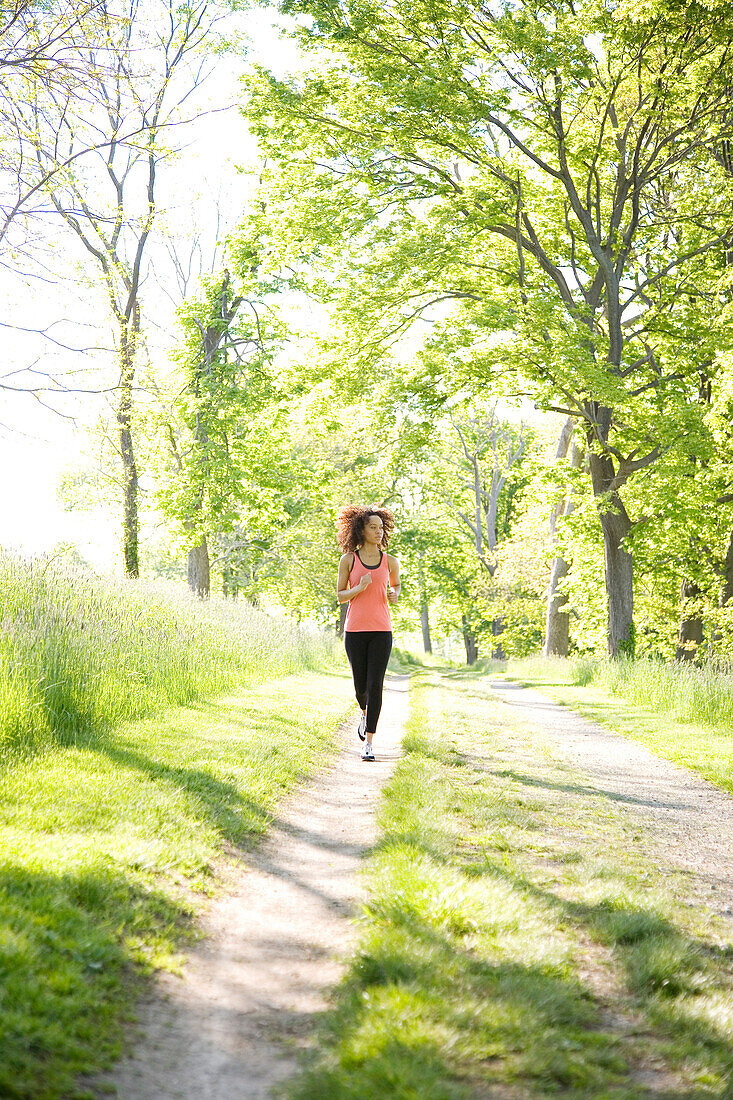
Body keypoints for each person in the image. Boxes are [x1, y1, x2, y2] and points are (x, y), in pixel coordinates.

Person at [336, 505, 400, 761]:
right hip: (355, 631)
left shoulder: (390, 561)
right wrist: (359, 588)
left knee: (375, 687)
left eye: (380, 527)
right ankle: (363, 713)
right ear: (360, 530)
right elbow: (340, 596)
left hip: (381, 631)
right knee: (360, 687)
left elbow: (394, 586)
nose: (378, 531)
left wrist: (394, 594)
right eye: (372, 527)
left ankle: (369, 744)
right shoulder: (349, 559)